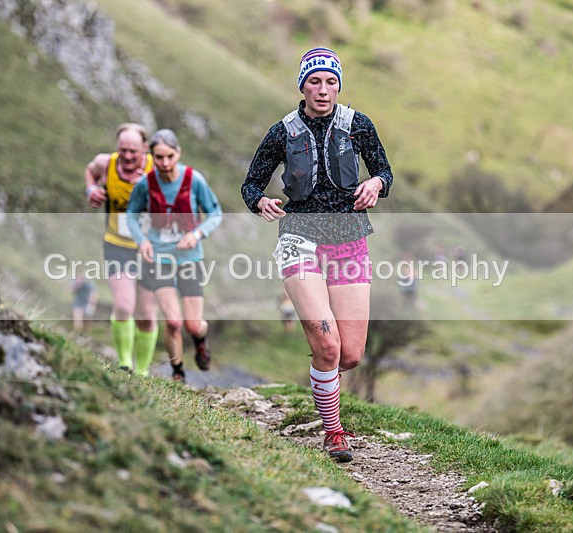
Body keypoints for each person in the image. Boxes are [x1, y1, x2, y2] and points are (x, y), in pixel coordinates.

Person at [241, 47, 393, 462]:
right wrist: (261, 203)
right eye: (315, 81)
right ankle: (333, 431)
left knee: (350, 354)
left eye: (330, 82)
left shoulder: (357, 124)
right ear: (302, 86)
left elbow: (385, 171)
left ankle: (321, 376)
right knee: (328, 347)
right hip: (299, 237)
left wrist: (376, 185)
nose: (323, 89)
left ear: (338, 86)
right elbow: (251, 184)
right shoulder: (283, 131)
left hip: (349, 238)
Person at [127, 129, 223, 383]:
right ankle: (178, 372)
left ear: (178, 153)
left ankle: (201, 340)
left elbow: (215, 213)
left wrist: (197, 234)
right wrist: (142, 241)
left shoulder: (194, 180)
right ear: (152, 157)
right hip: (159, 259)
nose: (165, 163)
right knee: (172, 322)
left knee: (193, 324)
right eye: (159, 157)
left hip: (190, 258)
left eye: (169, 156)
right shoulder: (145, 184)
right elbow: (131, 215)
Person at [84, 123, 159, 376]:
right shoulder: (105, 163)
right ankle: (125, 363)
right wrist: (92, 189)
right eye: (123, 150)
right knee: (125, 306)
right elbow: (90, 171)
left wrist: (150, 189)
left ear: (145, 149)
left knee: (147, 315)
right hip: (117, 244)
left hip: (151, 249)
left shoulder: (157, 168)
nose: (127, 156)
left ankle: (144, 371)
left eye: (133, 152)